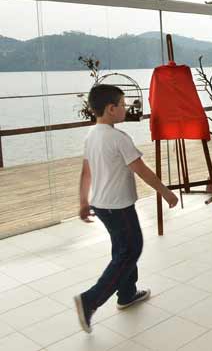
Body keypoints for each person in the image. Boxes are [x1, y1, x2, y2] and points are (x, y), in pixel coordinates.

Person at [73, 84, 179, 334]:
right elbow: (141, 170)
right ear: (111, 109)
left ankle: (127, 293)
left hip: (102, 205)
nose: (126, 108)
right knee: (131, 249)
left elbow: (86, 172)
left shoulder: (92, 136)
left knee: (122, 247)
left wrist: (83, 201)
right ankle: (90, 300)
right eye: (122, 104)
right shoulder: (118, 138)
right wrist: (166, 192)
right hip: (118, 206)